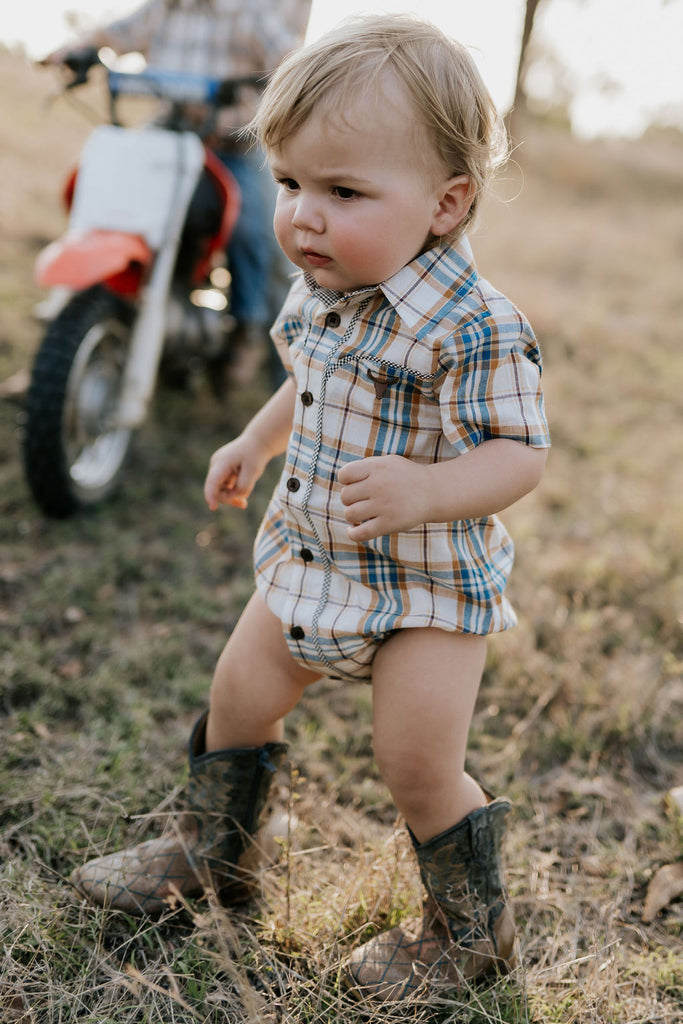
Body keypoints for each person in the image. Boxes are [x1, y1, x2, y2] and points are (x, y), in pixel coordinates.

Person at [70, 14, 551, 1004]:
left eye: (342, 191)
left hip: (424, 584)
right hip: (309, 557)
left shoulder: (475, 326)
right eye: (288, 184)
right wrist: (253, 438)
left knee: (416, 763)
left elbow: (519, 454)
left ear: (446, 202)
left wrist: (425, 488)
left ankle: (470, 930)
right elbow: (311, 380)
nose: (301, 217)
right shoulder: (320, 286)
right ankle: (213, 852)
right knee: (236, 698)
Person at [42, 0, 311, 386]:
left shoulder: (245, 12)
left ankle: (246, 330)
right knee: (107, 183)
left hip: (230, 141)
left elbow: (291, 57)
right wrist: (75, 49)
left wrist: (280, 77)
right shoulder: (165, 8)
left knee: (255, 230)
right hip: (166, 132)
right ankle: (63, 338)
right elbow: (113, 34)